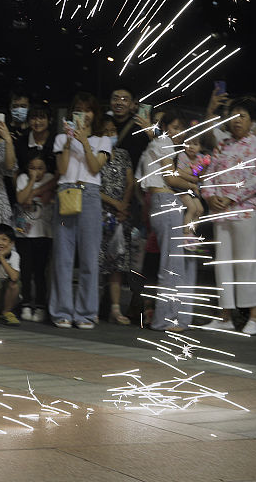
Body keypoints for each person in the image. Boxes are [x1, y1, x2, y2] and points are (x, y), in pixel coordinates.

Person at [204, 98, 256, 335]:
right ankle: (225, 316)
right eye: (233, 115)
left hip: (245, 211)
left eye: (242, 115)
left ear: (252, 120)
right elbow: (209, 175)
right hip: (221, 213)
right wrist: (211, 197)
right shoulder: (222, 146)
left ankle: (254, 317)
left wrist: (233, 197)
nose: (237, 120)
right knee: (223, 264)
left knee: (247, 262)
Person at [50, 92, 110, 329]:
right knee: (63, 257)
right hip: (66, 192)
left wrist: (84, 141)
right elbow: (62, 168)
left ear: (94, 114)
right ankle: (61, 311)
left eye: (88, 110)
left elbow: (95, 168)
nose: (83, 114)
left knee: (88, 258)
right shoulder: (60, 139)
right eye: (78, 110)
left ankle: (86, 313)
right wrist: (68, 141)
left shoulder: (103, 140)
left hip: (90, 196)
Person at [137, 110, 198, 332]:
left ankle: (164, 318)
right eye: (174, 127)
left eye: (180, 129)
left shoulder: (151, 147)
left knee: (167, 263)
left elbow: (142, 181)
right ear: (163, 128)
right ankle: (171, 320)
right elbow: (171, 177)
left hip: (156, 202)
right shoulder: (165, 144)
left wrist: (191, 179)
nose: (178, 133)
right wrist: (192, 185)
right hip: (166, 201)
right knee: (173, 265)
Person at [98, 115, 137, 325]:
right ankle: (92, 306)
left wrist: (124, 205)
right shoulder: (96, 155)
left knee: (117, 263)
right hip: (100, 214)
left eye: (113, 131)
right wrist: (116, 204)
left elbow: (130, 182)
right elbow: (94, 186)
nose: (110, 135)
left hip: (122, 216)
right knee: (98, 261)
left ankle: (115, 308)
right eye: (105, 131)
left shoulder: (123, 154)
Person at [14, 150, 55, 322]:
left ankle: (39, 304)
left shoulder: (50, 178)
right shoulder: (23, 179)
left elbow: (45, 199)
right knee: (25, 270)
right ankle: (24, 304)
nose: (36, 171)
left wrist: (31, 193)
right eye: (32, 168)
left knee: (39, 272)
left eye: (40, 168)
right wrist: (31, 182)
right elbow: (21, 199)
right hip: (23, 234)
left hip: (44, 233)